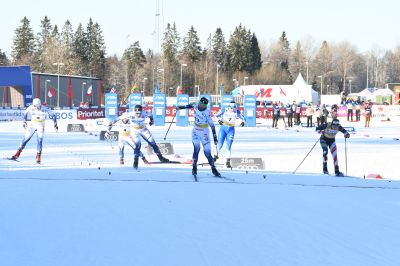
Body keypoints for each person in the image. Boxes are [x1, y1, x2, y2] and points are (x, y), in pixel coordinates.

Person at [114, 105, 169, 169]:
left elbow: (151, 115)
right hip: (134, 131)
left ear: (141, 111)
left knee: (153, 144)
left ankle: (161, 158)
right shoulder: (129, 114)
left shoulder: (145, 113)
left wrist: (151, 121)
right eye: (137, 113)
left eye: (139, 113)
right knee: (137, 146)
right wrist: (111, 122)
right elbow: (117, 118)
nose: (138, 115)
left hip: (143, 130)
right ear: (134, 111)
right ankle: (135, 161)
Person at [177, 97, 221, 177]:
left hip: (204, 133)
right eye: (200, 104)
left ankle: (213, 169)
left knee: (207, 153)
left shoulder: (207, 112)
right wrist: (180, 108)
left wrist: (215, 136)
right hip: (195, 132)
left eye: (203, 106)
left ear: (205, 106)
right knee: (196, 149)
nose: (200, 106)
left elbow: (212, 125)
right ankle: (194, 167)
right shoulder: (196, 105)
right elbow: (189, 106)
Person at [10, 98, 58, 163]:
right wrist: (24, 121)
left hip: (41, 125)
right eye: (34, 106)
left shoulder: (44, 108)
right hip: (32, 125)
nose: (35, 107)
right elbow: (25, 112)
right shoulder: (31, 107)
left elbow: (53, 114)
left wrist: (55, 123)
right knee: (25, 139)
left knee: (40, 141)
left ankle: (38, 156)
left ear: (39, 105)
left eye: (37, 106)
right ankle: (17, 153)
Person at [214, 100, 246, 168]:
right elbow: (215, 116)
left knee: (228, 146)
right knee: (220, 144)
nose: (233, 110)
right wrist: (219, 120)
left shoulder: (237, 112)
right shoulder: (224, 110)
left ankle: (228, 162)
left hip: (231, 130)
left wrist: (242, 122)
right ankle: (215, 157)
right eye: (231, 108)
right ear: (229, 107)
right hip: (223, 129)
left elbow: (243, 118)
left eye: (234, 108)